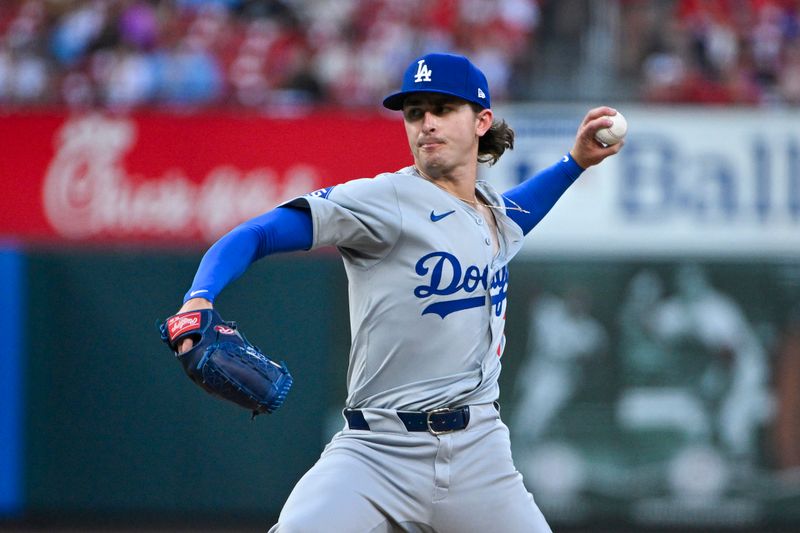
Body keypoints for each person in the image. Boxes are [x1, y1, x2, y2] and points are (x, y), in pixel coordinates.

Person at [172, 52, 623, 532]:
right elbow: (256, 234)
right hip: (375, 452)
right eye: (414, 113)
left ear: (481, 121)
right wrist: (200, 295)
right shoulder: (382, 201)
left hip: (480, 453)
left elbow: (519, 211)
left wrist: (574, 163)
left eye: (443, 109)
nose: (426, 123)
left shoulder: (493, 212)